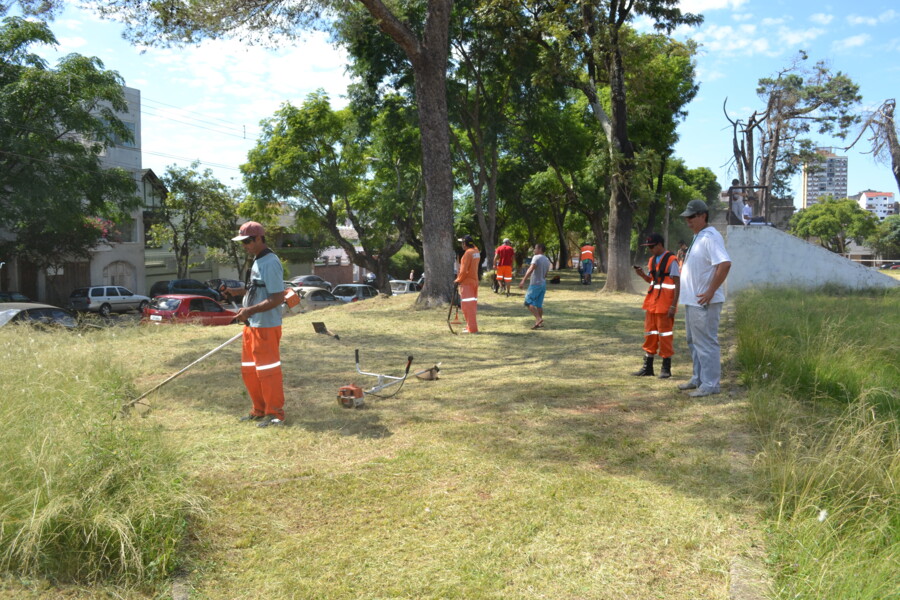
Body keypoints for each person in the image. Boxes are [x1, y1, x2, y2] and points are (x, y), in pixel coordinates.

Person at [232, 221, 287, 427]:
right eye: (242, 242)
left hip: (266, 326)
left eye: (247, 241)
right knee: (249, 370)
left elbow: (276, 298)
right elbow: (259, 291)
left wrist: (249, 310)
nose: (244, 245)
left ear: (259, 239)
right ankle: (259, 409)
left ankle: (276, 415)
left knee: (268, 372)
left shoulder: (270, 262)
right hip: (252, 325)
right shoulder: (257, 260)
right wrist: (240, 294)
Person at [678, 199, 732, 398]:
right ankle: (698, 378)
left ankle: (710, 384)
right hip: (693, 300)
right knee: (693, 341)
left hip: (704, 301)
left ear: (703, 216)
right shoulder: (698, 237)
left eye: (692, 217)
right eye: (686, 217)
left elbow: (724, 264)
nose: (688, 221)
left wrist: (710, 291)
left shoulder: (710, 237)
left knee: (706, 342)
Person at [631, 233, 680, 379]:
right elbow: (652, 281)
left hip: (665, 305)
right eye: (648, 247)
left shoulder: (672, 260)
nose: (650, 249)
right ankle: (648, 367)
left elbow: (678, 283)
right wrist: (642, 275)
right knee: (650, 334)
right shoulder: (652, 261)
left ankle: (666, 368)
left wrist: (673, 306)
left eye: (652, 246)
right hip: (652, 304)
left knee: (665, 335)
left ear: (660, 244)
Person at [519, 243, 552, 329]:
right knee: (539, 304)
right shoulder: (547, 260)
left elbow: (531, 268)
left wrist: (523, 280)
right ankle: (539, 323)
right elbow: (546, 274)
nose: (534, 250)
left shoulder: (536, 257)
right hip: (542, 284)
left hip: (535, 284)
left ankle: (538, 318)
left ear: (540, 249)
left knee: (528, 302)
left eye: (535, 248)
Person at [455, 234, 481, 333]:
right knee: (471, 306)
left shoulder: (467, 254)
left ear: (465, 243)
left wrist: (458, 280)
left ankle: (472, 329)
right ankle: (469, 326)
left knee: (467, 307)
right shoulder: (476, 251)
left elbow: (463, 270)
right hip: (474, 281)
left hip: (467, 283)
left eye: (462, 242)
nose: (461, 244)